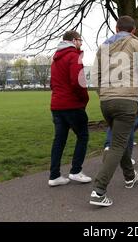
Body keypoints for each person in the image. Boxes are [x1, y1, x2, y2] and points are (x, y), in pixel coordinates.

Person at [89, 16, 138, 207]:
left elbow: (94, 76)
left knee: (119, 138)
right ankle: (99, 191)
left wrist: (104, 94)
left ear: (117, 28)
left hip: (106, 101)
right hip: (126, 100)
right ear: (133, 30)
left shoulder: (103, 46)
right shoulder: (137, 44)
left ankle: (130, 176)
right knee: (117, 145)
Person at [48, 31, 92, 187]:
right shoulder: (74, 56)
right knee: (83, 136)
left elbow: (53, 83)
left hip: (57, 105)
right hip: (72, 104)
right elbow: (78, 81)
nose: (81, 43)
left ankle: (54, 175)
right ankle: (75, 171)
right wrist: (84, 98)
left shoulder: (56, 58)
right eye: (80, 40)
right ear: (74, 40)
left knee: (59, 140)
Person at [103, 91, 138, 165]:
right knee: (129, 125)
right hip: (129, 99)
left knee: (113, 123)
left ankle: (108, 146)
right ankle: (127, 157)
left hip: (112, 98)